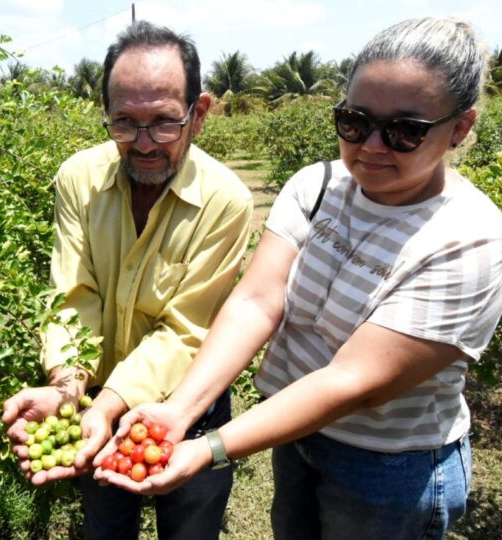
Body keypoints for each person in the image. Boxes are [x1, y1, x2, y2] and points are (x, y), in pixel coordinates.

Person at [97, 17, 502, 540]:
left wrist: (209, 446)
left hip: (387, 469)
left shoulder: (470, 242)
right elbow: (256, 303)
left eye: (405, 131)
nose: (374, 145)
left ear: (460, 128)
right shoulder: (317, 186)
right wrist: (178, 412)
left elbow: (354, 383)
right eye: (356, 122)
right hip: (293, 437)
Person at [1, 21, 253, 540]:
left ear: (198, 114)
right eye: (123, 123)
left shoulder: (226, 201)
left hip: (188, 407)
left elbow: (187, 328)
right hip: (94, 404)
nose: (143, 144)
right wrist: (70, 390)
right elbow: (75, 295)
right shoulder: (79, 178)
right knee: (106, 525)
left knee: (190, 527)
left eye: (163, 123)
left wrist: (111, 404)